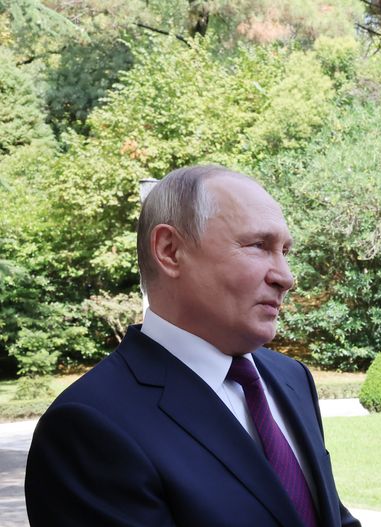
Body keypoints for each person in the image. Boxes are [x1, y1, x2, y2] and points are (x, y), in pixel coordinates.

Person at [25, 165, 360, 527]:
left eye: (285, 251)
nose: (287, 277)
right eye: (258, 246)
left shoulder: (292, 378)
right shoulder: (87, 426)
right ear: (170, 251)